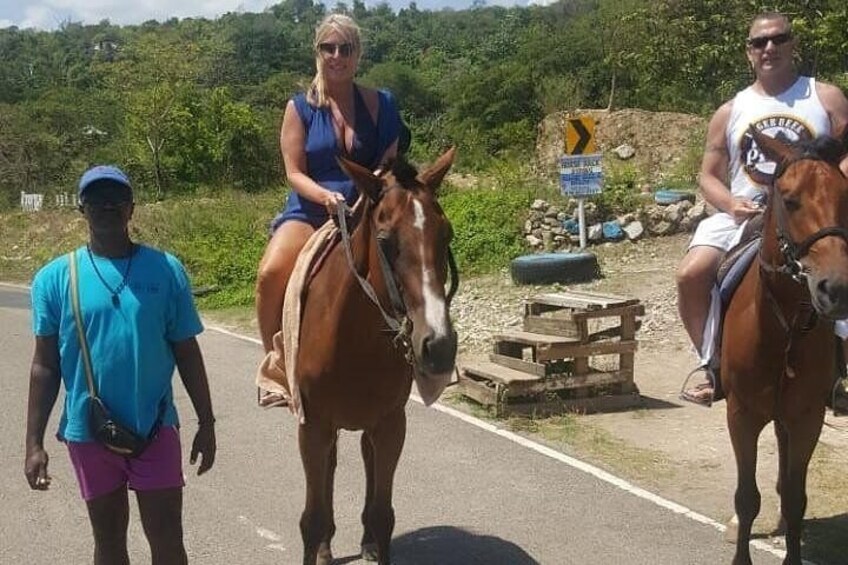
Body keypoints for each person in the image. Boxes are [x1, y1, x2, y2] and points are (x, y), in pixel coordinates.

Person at [24, 165, 217, 564]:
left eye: (116, 199)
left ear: (132, 209)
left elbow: (187, 352)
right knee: (108, 539)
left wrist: (207, 423)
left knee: (166, 537)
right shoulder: (55, 279)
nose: (106, 207)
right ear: (82, 209)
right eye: (96, 200)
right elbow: (45, 366)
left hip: (156, 426)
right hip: (88, 431)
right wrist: (33, 443)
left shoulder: (166, 270)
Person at [677, 11, 848, 412]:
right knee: (690, 274)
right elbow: (708, 176)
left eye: (778, 39)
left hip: (814, 214)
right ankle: (712, 364)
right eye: (759, 42)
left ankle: (839, 369)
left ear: (792, 45)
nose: (769, 47)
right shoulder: (729, 111)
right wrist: (729, 203)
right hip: (746, 213)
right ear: (748, 53)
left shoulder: (825, 97)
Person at [255, 13, 402, 406]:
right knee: (270, 272)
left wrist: (371, 183)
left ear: (358, 55)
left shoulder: (381, 104)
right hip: (310, 209)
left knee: (417, 258)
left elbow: (390, 158)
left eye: (346, 48)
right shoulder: (299, 108)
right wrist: (325, 197)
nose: (337, 56)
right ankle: (276, 368)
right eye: (329, 47)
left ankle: (428, 355)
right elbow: (293, 172)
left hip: (367, 207)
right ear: (317, 52)